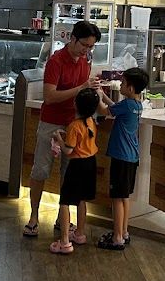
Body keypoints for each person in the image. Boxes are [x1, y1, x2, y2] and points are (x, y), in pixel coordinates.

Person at [23, 20, 101, 238]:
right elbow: (50, 96)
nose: (86, 50)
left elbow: (83, 92)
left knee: (69, 175)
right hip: (51, 123)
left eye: (90, 47)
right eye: (84, 45)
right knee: (41, 170)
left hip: (74, 124)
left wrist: (93, 92)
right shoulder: (56, 61)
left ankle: (62, 218)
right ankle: (34, 216)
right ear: (72, 39)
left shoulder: (86, 60)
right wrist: (81, 88)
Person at [97, 67, 148, 251]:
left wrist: (96, 95)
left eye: (124, 83)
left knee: (117, 198)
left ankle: (117, 237)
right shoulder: (136, 105)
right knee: (125, 196)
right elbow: (113, 108)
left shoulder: (126, 105)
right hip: (132, 157)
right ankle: (124, 232)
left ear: (131, 88)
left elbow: (105, 111)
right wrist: (104, 94)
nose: (120, 85)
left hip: (120, 156)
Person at [49, 88, 101, 255]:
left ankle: (64, 242)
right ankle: (79, 233)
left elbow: (69, 150)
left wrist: (58, 137)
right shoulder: (92, 122)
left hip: (77, 166)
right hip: (91, 163)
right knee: (81, 199)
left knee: (65, 202)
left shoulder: (74, 125)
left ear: (75, 104)